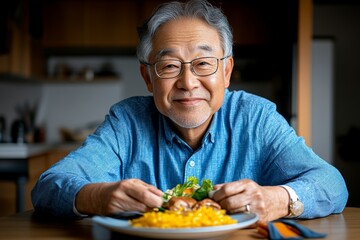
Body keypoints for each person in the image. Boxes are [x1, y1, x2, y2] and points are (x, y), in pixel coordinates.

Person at [31, 0, 348, 223]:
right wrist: (97, 197)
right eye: (169, 66)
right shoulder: (126, 122)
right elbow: (48, 186)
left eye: (203, 64)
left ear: (226, 73)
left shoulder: (257, 118)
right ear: (148, 78)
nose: (187, 82)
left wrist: (277, 199)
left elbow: (332, 184)